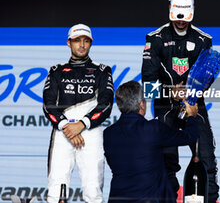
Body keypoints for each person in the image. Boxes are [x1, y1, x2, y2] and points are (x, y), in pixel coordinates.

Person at [141, 0, 219, 202]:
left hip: (194, 106)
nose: (181, 23)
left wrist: (191, 94)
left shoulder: (204, 40)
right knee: (165, 162)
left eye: (185, 18)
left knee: (207, 161)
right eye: (177, 17)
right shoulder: (154, 39)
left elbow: (208, 79)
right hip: (165, 107)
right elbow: (147, 87)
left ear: (193, 12)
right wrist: (171, 92)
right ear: (170, 11)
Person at [43, 24, 114, 203]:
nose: (81, 45)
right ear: (68, 43)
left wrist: (81, 125)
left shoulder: (102, 70)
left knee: (93, 189)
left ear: (91, 44)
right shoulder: (56, 70)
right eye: (77, 40)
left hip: (90, 131)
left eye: (86, 41)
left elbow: (105, 103)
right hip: (62, 132)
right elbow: (48, 104)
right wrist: (67, 127)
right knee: (56, 189)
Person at [103, 81, 199, 203]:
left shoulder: (108, 133)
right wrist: (191, 116)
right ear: (142, 105)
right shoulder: (152, 128)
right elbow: (190, 137)